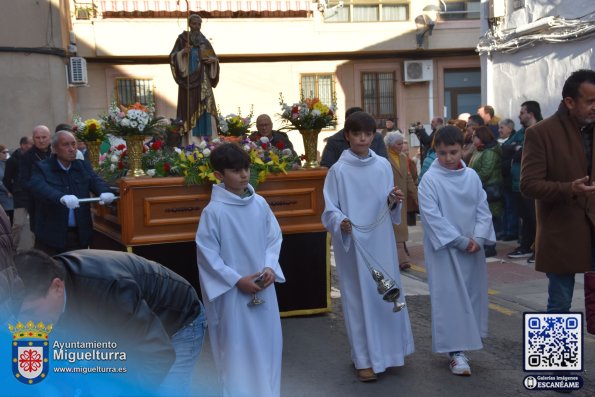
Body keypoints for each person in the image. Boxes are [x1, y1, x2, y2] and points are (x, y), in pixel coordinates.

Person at [13, 248, 205, 396]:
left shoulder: (110, 289)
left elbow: (158, 354)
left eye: (29, 313)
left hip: (178, 320)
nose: (27, 325)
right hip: (130, 325)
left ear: (56, 287)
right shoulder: (50, 289)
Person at [321, 111, 414, 382]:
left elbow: (388, 202)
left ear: (374, 136)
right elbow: (329, 210)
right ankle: (363, 359)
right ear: (347, 136)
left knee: (385, 295)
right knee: (359, 299)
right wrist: (341, 221)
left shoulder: (383, 165)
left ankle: (391, 354)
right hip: (354, 244)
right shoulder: (338, 171)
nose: (362, 139)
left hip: (381, 240)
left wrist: (394, 199)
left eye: (368, 134)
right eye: (357, 134)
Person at [195, 143, 285, 397]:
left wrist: (269, 266)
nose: (244, 175)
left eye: (246, 168)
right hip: (233, 294)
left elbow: (273, 238)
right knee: (237, 350)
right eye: (235, 171)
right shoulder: (214, 212)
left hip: (264, 287)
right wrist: (237, 280)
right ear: (219, 176)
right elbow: (207, 256)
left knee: (269, 346)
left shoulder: (260, 204)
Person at [418, 125, 494, 376]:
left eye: (453, 152)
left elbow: (482, 208)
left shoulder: (471, 176)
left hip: (473, 248)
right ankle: (455, 352)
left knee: (471, 295)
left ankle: (465, 345)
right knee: (449, 298)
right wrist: (461, 241)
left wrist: (479, 238)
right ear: (435, 151)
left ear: (463, 149)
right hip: (446, 250)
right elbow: (432, 218)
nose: (448, 158)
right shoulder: (430, 180)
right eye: (442, 153)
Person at [520, 69, 595, 313]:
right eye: (591, 101)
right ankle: (555, 353)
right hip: (562, 232)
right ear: (569, 102)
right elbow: (528, 185)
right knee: (560, 304)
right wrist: (568, 189)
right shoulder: (540, 133)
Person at [28, 130, 115, 255]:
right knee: (52, 272)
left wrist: (105, 192)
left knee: (77, 271)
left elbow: (95, 180)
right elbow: (39, 187)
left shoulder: (82, 166)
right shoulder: (42, 168)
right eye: (66, 145)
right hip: (51, 236)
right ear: (55, 149)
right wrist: (61, 197)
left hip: (79, 235)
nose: (72, 149)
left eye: (73, 144)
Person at [170, 14, 220, 138]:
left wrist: (213, 61)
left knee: (207, 106)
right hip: (188, 81)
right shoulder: (182, 39)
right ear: (189, 24)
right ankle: (192, 140)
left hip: (203, 80)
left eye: (199, 24)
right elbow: (172, 57)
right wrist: (183, 53)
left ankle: (209, 139)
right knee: (190, 107)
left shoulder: (204, 41)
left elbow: (214, 58)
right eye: (194, 24)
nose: (197, 27)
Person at [507, 101, 542, 263]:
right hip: (517, 183)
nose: (519, 115)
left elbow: (530, 152)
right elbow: (506, 148)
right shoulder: (520, 132)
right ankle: (526, 246)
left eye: (522, 112)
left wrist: (519, 150)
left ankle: (540, 249)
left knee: (536, 218)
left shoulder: (541, 128)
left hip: (534, 183)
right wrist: (517, 149)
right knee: (526, 218)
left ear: (531, 113)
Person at [385, 131, 418, 270]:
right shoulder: (383, 158)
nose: (401, 146)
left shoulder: (404, 158)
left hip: (401, 198)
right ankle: (399, 259)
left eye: (402, 143)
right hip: (388, 198)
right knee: (392, 230)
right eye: (398, 144)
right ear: (390, 145)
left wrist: (417, 198)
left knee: (400, 229)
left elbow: (409, 179)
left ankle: (401, 259)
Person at [468, 125, 502, 257]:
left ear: (482, 137)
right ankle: (486, 244)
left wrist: (472, 180)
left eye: (475, 136)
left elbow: (486, 171)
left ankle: (490, 246)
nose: (472, 138)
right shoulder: (479, 150)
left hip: (490, 188)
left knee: (489, 217)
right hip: (481, 186)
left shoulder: (489, 152)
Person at [320, 106, 388, 168]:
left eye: (368, 134)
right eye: (356, 133)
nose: (363, 138)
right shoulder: (334, 140)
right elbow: (326, 167)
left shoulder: (377, 137)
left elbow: (384, 162)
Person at [19, 125, 52, 236]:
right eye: (37, 138)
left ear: (50, 137)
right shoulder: (27, 156)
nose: (41, 140)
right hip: (38, 203)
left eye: (44, 137)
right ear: (33, 139)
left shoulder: (57, 152)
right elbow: (23, 181)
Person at [3, 136, 33, 249]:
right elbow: (6, 180)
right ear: (23, 145)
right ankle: (12, 248)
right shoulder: (12, 160)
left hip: (34, 195)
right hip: (20, 196)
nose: (33, 146)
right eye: (30, 144)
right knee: (18, 224)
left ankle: (37, 249)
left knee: (36, 224)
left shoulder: (33, 157)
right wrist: (15, 191)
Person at [498, 118, 520, 241]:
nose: (499, 130)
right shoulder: (504, 142)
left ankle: (512, 231)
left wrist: (507, 164)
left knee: (511, 207)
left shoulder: (514, 141)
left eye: (502, 127)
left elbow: (513, 157)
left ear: (509, 129)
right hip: (505, 179)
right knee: (506, 207)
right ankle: (506, 230)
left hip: (511, 179)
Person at [0, 145, 14, 224]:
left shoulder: (8, 163)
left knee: (13, 217)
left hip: (11, 193)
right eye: (4, 152)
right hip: (2, 194)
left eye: (7, 152)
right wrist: (7, 191)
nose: (6, 154)